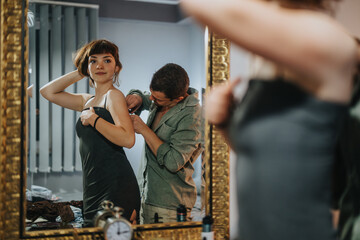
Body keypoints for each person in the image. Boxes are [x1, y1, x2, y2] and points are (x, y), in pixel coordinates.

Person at [180, 0, 360, 239]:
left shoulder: (327, 40)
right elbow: (270, 153)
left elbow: (201, 5)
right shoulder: (270, 65)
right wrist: (224, 122)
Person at [40, 39, 140, 226]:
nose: (100, 65)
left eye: (107, 60)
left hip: (115, 184)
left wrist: (94, 120)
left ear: (117, 67)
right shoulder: (88, 101)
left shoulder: (113, 95)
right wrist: (80, 72)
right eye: (93, 60)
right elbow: (47, 92)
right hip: (94, 184)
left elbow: (128, 139)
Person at [125, 63, 203, 224]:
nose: (152, 100)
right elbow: (145, 97)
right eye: (152, 94)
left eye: (157, 99)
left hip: (170, 205)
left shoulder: (193, 117)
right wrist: (137, 95)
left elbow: (174, 161)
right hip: (146, 196)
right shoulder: (161, 99)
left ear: (178, 99)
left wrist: (144, 130)